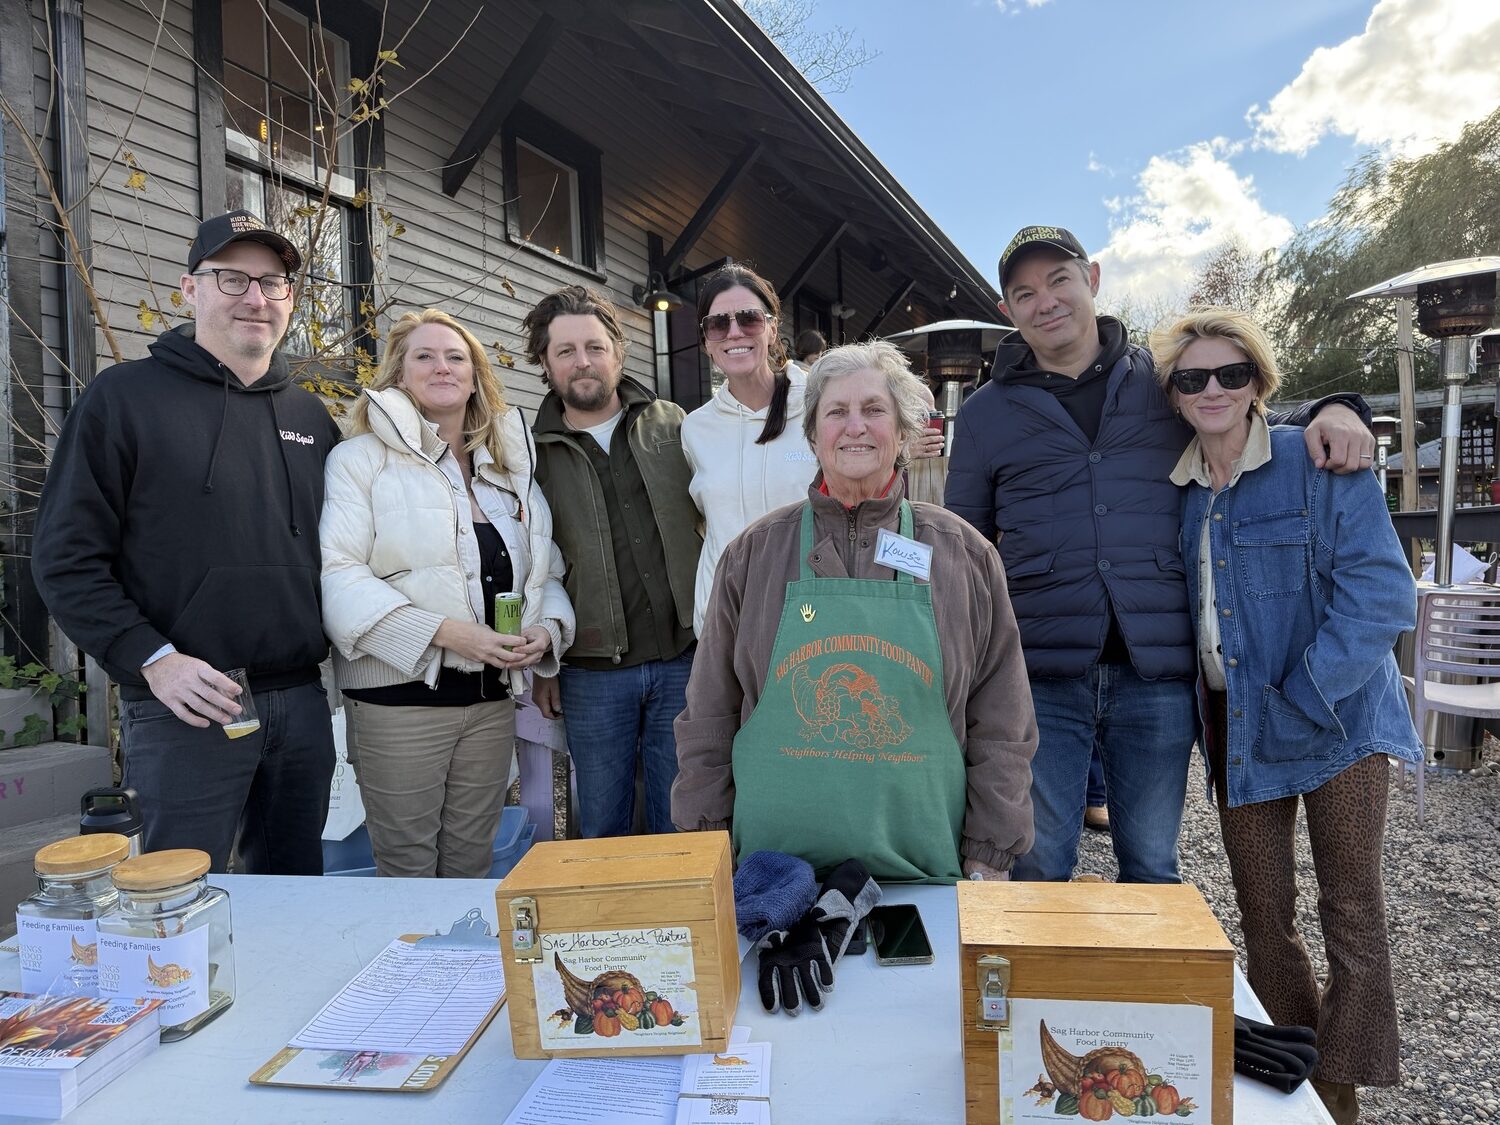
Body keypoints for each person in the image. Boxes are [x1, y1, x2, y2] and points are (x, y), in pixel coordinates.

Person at [944, 224, 1375, 884]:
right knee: (1038, 858)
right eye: (1025, 292)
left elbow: (1243, 414)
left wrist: (1338, 406)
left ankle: (1145, 984)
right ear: (1009, 311)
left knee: (1151, 860)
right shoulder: (984, 415)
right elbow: (961, 547)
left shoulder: (1163, 381)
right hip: (1038, 674)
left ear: (1091, 279)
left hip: (1157, 670)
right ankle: (1049, 986)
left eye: (1059, 279)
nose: (1046, 300)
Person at [1153, 308, 1420, 1125]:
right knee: (1263, 914)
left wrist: (1306, 692)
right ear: (1174, 392)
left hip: (1335, 720)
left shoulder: (1318, 463)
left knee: (1352, 911)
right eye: (1193, 376)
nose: (1213, 389)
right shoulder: (1182, 494)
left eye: (1231, 373)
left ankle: (1340, 1097)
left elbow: (1383, 593)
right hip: (1238, 731)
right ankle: (1299, 1071)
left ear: (1259, 382)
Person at [32, 210, 340, 874]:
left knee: (299, 901)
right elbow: (64, 557)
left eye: (273, 282)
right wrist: (154, 659)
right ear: (189, 288)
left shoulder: (311, 417)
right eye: (232, 279)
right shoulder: (124, 399)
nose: (255, 298)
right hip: (186, 707)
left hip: (301, 706)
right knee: (178, 909)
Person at [673, 341, 1038, 883]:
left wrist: (991, 848)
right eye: (836, 412)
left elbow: (1002, 720)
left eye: (874, 410)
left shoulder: (963, 554)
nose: (855, 427)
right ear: (814, 433)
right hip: (772, 874)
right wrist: (707, 837)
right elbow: (708, 714)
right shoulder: (754, 554)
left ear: (904, 433)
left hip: (926, 867)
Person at [320, 309, 574, 878]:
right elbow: (339, 578)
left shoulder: (509, 470)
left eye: (456, 357)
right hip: (399, 700)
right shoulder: (359, 462)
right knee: (407, 868)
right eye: (424, 356)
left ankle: (464, 971)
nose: (442, 367)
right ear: (398, 375)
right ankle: (406, 971)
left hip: (488, 700)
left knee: (470, 862)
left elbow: (545, 574)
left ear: (476, 374)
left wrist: (547, 631)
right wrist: (449, 634)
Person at [521, 286, 702, 837]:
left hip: (684, 658)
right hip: (591, 671)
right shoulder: (529, 453)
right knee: (601, 824)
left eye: (595, 347)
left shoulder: (675, 426)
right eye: (566, 350)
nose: (583, 362)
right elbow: (531, 564)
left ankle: (678, 922)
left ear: (618, 353)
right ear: (546, 365)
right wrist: (545, 666)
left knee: (683, 819)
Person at [682, 264, 818, 636]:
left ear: (773, 329)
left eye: (749, 319)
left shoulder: (820, 408)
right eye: (717, 324)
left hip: (807, 620)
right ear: (707, 341)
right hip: (723, 625)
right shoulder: (695, 428)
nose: (734, 332)